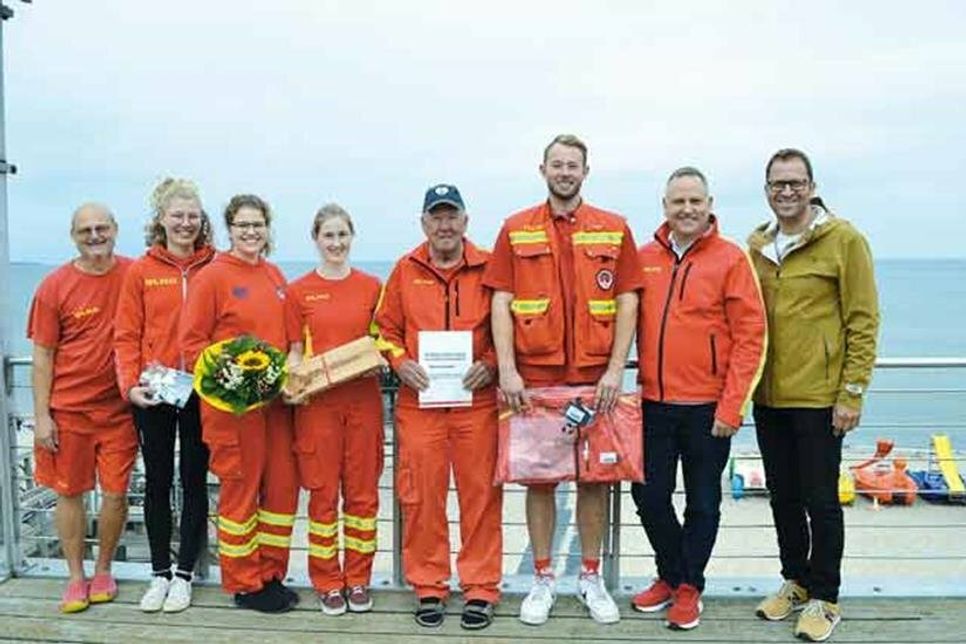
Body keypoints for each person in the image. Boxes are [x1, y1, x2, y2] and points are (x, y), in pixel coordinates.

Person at [485, 134, 642, 626]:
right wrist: (507, 368)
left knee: (596, 481)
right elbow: (500, 301)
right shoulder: (515, 229)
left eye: (573, 165)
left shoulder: (615, 229)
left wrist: (617, 368)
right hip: (532, 379)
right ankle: (544, 577)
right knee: (539, 481)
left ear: (586, 172)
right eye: (557, 164)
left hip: (597, 378)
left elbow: (628, 300)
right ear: (543, 170)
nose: (565, 172)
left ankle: (590, 577)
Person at [749, 149, 879, 642]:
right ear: (766, 189)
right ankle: (796, 581)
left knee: (820, 500)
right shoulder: (757, 245)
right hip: (768, 396)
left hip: (822, 397)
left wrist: (852, 392)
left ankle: (826, 596)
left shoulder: (844, 240)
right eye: (778, 184)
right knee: (782, 497)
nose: (787, 191)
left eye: (795, 183)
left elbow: (863, 320)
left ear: (811, 186)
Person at [629, 167, 767, 630]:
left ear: (709, 204)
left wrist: (732, 406)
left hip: (709, 409)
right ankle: (671, 574)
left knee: (704, 503)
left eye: (695, 201)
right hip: (654, 404)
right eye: (677, 202)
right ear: (664, 206)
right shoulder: (644, 257)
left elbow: (751, 337)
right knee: (649, 497)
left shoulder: (731, 259)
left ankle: (690, 587)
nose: (686, 209)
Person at [373, 184, 502, 630]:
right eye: (436, 216)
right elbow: (383, 329)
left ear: (466, 220)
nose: (444, 225)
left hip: (477, 404)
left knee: (481, 497)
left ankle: (481, 588)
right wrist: (399, 361)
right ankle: (429, 585)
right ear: (423, 222)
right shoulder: (403, 270)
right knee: (422, 497)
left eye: (452, 216)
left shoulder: (491, 267)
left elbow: (511, 330)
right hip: (419, 404)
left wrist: (492, 364)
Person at [180, 194, 299, 613]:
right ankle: (245, 583)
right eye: (243, 225)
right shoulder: (211, 277)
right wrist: (234, 380)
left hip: (277, 406)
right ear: (229, 229)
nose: (251, 232)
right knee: (241, 493)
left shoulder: (275, 275)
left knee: (282, 489)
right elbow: (192, 345)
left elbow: (289, 339)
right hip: (233, 410)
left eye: (258, 224)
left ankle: (271, 572)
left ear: (268, 229)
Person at [114, 178, 215, 613]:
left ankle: (185, 575)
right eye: (177, 215)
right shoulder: (141, 270)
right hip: (155, 390)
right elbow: (125, 335)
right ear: (161, 219)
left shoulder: (216, 266)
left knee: (194, 482)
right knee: (156, 483)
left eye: (193, 215)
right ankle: (158, 573)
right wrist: (129, 387)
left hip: (200, 390)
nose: (186, 223)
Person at [28, 203, 135, 613]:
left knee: (115, 494)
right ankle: (75, 576)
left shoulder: (133, 273)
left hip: (119, 411)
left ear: (115, 230)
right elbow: (42, 356)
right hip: (69, 411)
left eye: (102, 228)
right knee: (69, 492)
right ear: (73, 235)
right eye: (86, 229)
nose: (95, 235)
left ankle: (104, 569)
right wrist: (41, 417)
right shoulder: (54, 286)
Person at [284, 204, 384, 615]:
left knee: (363, 496)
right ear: (316, 239)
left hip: (363, 404)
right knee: (323, 497)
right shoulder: (298, 291)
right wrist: (291, 382)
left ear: (352, 237)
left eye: (342, 235)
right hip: (317, 409)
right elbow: (292, 351)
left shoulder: (373, 287)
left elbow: (384, 342)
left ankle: (358, 578)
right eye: (329, 236)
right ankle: (327, 580)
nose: (336, 243)